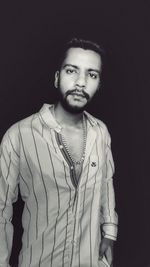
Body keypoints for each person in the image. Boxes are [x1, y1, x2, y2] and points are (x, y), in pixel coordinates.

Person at [0, 38, 118, 267]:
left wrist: (110, 232)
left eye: (92, 75)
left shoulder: (100, 132)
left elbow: (106, 182)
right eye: (72, 71)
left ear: (99, 84)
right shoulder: (19, 136)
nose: (81, 82)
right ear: (56, 78)